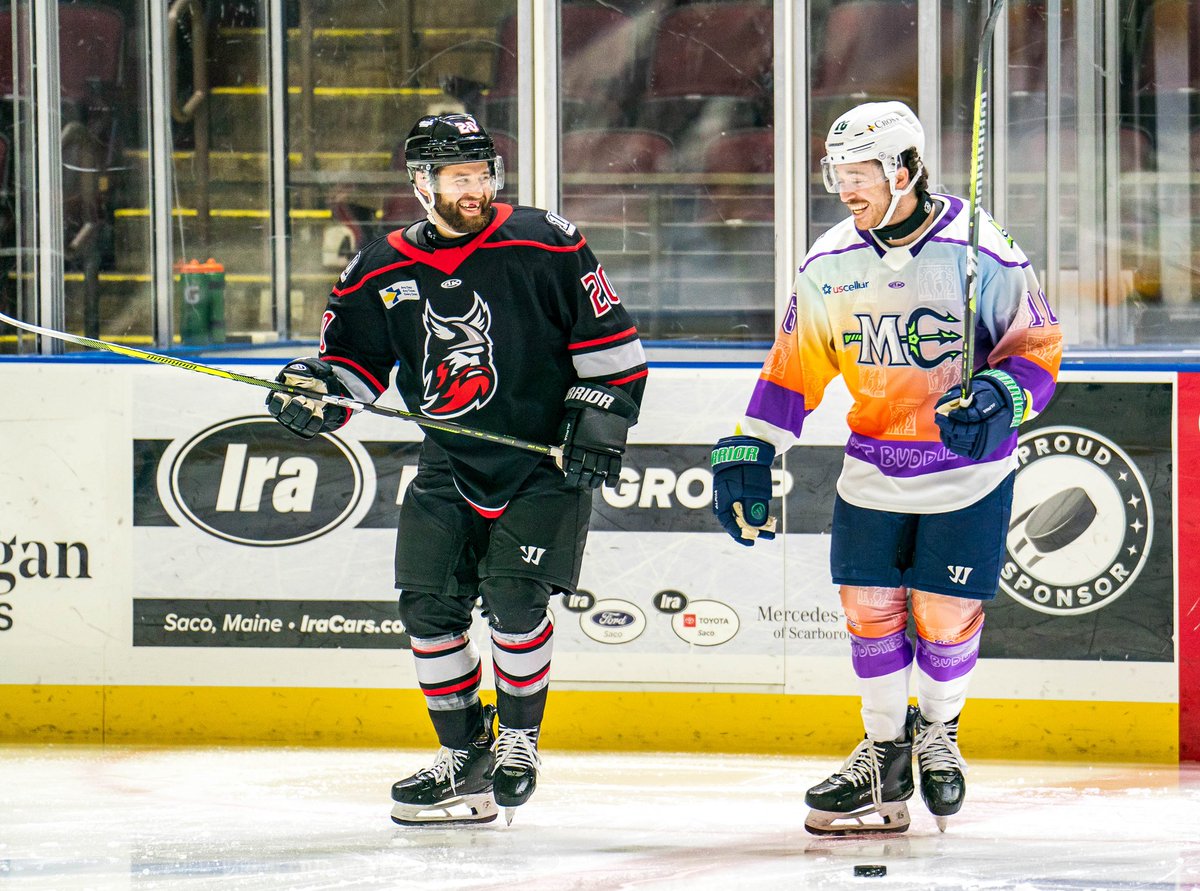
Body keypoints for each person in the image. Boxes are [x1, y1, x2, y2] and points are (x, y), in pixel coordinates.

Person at [265, 112, 648, 826]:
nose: (474, 190)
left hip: (542, 458)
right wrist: (315, 393)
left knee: (515, 599)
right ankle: (465, 754)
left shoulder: (546, 241)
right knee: (427, 606)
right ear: (422, 182)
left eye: (481, 174)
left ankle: (519, 741)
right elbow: (352, 371)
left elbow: (613, 347)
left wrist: (602, 410)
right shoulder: (378, 268)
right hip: (448, 456)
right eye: (457, 177)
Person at [710, 101, 1062, 835]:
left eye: (860, 173)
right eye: (837, 173)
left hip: (969, 473)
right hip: (871, 470)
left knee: (944, 614)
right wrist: (754, 443)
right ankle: (883, 752)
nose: (845, 188)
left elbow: (1037, 347)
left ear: (904, 170)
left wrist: (1001, 395)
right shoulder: (830, 259)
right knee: (869, 610)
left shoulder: (981, 248)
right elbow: (794, 366)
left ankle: (939, 732)